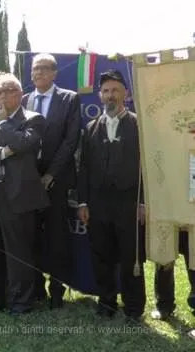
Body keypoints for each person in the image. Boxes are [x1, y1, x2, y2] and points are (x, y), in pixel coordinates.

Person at [0, 73, 49, 315]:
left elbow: (24, 145)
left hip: (18, 196)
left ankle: (21, 302)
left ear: (20, 94)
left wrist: (4, 123)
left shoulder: (33, 119)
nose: (1, 96)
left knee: (18, 252)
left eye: (7, 91)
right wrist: (4, 153)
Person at [77, 69, 146, 323]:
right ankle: (106, 303)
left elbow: (149, 168)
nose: (110, 95)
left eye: (115, 90)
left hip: (129, 203)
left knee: (131, 258)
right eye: (106, 91)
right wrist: (83, 201)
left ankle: (133, 308)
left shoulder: (140, 125)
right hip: (98, 204)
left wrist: (143, 202)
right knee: (101, 255)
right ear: (99, 96)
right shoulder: (91, 127)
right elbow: (83, 166)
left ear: (125, 94)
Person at [22, 53, 82, 308]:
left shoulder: (69, 98)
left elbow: (70, 141)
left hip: (56, 181)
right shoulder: (25, 100)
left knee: (57, 238)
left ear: (55, 73)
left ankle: (56, 290)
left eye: (44, 69)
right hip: (29, 180)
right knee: (32, 236)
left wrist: (50, 175)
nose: (38, 73)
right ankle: (36, 288)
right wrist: (33, 176)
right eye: (35, 69)